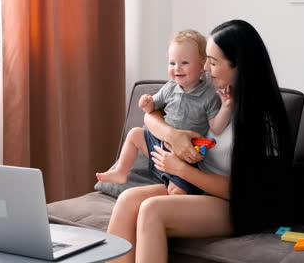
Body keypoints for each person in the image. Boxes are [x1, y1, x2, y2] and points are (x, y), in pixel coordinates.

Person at [107, 19, 294, 263]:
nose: (205, 67)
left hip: (238, 206)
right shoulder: (213, 97)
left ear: (239, 66)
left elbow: (244, 190)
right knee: (128, 199)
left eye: (213, 62)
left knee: (152, 210)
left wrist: (181, 169)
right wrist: (173, 135)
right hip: (199, 190)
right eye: (205, 59)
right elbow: (151, 117)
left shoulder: (263, 122)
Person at [96, 30, 232, 195]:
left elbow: (216, 128)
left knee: (177, 191)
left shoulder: (208, 95)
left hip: (185, 155)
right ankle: (121, 172)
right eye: (172, 63)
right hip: (160, 145)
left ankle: (173, 203)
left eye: (184, 63)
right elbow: (152, 109)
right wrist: (147, 103)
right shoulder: (169, 88)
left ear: (202, 65)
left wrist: (225, 107)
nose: (177, 68)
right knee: (135, 134)